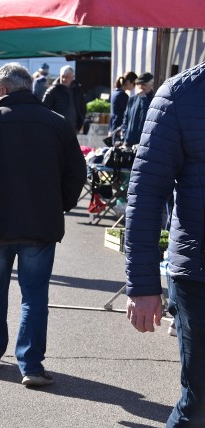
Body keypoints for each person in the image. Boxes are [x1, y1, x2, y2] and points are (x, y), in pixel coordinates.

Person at [0, 63, 86, 387]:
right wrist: (59, 205)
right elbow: (76, 175)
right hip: (41, 223)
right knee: (35, 294)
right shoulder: (58, 124)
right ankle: (31, 365)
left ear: (5, 90)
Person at [125, 62, 205, 427]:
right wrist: (143, 285)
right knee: (200, 402)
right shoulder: (180, 94)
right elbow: (145, 197)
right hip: (199, 276)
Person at [42, 65, 86, 133]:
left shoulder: (78, 90)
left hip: (73, 128)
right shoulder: (53, 90)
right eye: (62, 76)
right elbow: (44, 109)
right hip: (56, 128)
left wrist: (79, 124)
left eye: (67, 77)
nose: (64, 79)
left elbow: (83, 108)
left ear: (72, 77)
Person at [120, 72, 154, 147]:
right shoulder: (132, 100)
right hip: (128, 141)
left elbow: (149, 116)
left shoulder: (154, 100)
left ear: (151, 85)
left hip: (142, 144)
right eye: (139, 84)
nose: (141, 87)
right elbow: (126, 118)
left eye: (144, 84)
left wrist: (144, 98)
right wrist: (125, 134)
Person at [109, 71, 138, 136]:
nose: (134, 86)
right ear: (128, 82)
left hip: (113, 125)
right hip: (119, 128)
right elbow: (128, 112)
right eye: (134, 83)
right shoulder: (122, 95)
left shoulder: (115, 92)